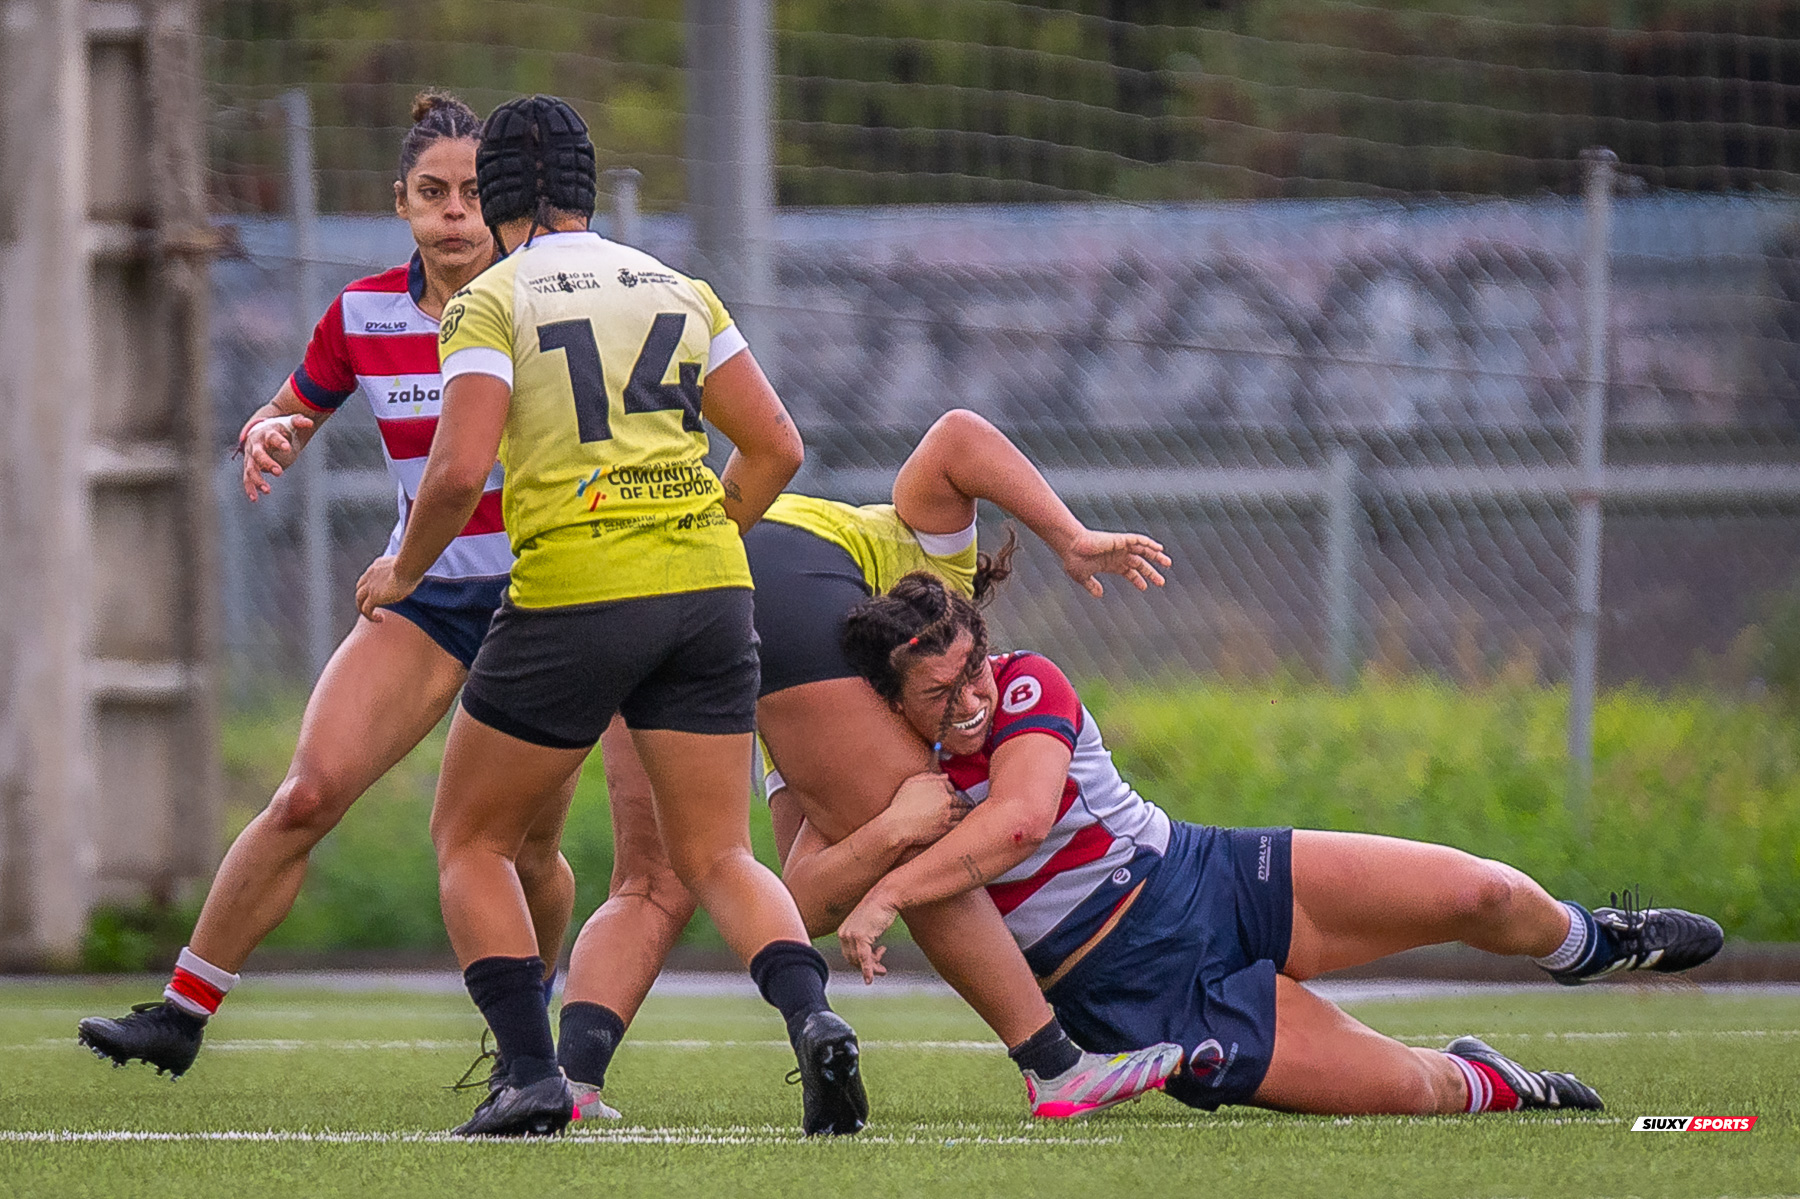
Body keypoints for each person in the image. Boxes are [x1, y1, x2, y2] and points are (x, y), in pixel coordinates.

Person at [354, 94, 857, 1139]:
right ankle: (814, 1018)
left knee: (471, 839)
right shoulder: (680, 287)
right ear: (586, 186)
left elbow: (454, 470)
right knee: (720, 855)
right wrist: (692, 532)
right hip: (712, 591)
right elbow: (777, 446)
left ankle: (532, 1074)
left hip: (578, 588)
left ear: (493, 196)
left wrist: (403, 570)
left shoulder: (486, 299)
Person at [818, 570, 1726, 1116]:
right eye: (941, 694)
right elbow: (803, 887)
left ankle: (1590, 941)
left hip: (1203, 875)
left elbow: (1019, 820)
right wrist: (878, 851)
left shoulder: (1026, 685)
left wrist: (892, 890)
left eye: (972, 667)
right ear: (890, 702)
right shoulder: (870, 768)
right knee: (1419, 1092)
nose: (972, 699)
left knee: (1475, 894)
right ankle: (1501, 1082)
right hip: (1134, 992)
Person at [78, 92, 577, 1079]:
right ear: (400, 203)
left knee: (521, 851)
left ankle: (532, 1027)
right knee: (305, 793)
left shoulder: (544, 299)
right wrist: (268, 433)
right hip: (424, 602)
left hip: (544, 603)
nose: (454, 214)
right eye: (432, 193)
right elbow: (289, 409)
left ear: (502, 201)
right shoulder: (361, 314)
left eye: (474, 193)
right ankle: (181, 1009)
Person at [553, 410, 1186, 1121]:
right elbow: (957, 436)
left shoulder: (815, 703)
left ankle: (569, 1082)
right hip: (766, 565)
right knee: (925, 825)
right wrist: (1071, 536)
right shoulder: (935, 586)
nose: (974, 696)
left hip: (633, 580)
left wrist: (882, 839)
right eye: (949, 684)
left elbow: (803, 901)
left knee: (653, 880)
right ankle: (1055, 1064)